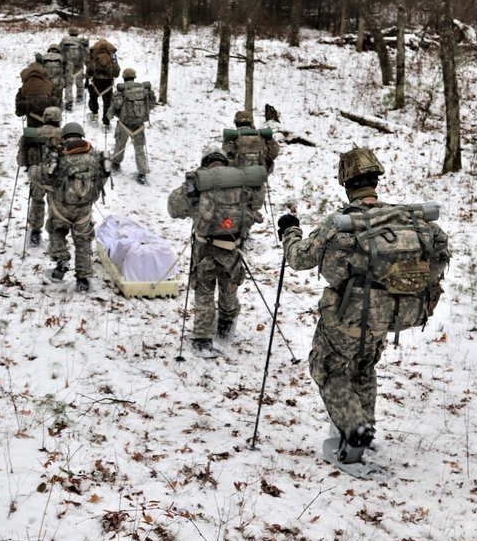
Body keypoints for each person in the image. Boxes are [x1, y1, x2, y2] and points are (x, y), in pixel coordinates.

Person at [277, 147, 450, 469]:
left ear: (346, 184)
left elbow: (300, 259)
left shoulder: (341, 223)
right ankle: (363, 429)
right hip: (392, 315)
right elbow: (438, 260)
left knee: (327, 368)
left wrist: (290, 232)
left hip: (347, 315)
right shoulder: (410, 219)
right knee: (363, 367)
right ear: (376, 180)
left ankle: (354, 431)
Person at [167, 146, 267, 358]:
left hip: (205, 248)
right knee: (229, 287)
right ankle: (226, 325)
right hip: (232, 247)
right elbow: (256, 204)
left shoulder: (200, 183)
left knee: (204, 291)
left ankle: (203, 339)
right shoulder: (241, 183)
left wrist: (191, 190)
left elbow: (174, 209)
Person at [36, 122, 109, 292]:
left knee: (57, 231)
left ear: (65, 136)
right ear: (81, 135)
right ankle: (83, 280)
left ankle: (61, 260)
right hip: (83, 209)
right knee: (83, 240)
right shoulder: (94, 154)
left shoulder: (59, 154)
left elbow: (45, 176)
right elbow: (102, 177)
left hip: (61, 207)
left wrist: (33, 171)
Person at [23, 106, 64, 247]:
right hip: (58, 178)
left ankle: (35, 231)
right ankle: (57, 234)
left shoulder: (33, 133)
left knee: (37, 202)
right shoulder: (65, 134)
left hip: (39, 175)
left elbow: (21, 158)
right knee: (56, 205)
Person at [108, 68, 156, 185]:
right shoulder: (143, 90)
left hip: (124, 124)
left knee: (120, 144)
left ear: (123, 78)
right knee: (139, 149)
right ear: (134, 77)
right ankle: (142, 173)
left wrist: (108, 116)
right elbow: (150, 106)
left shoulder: (121, 91)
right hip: (139, 125)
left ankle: (116, 164)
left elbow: (115, 106)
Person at [86, 39, 120, 126]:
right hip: (108, 83)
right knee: (107, 102)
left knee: (93, 98)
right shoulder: (112, 54)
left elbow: (89, 70)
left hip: (96, 82)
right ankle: (106, 121)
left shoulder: (94, 53)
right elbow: (116, 73)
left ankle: (94, 115)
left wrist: (87, 79)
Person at [15, 61, 59, 128]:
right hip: (47, 105)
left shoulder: (26, 81)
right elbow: (55, 92)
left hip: (31, 108)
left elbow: (19, 98)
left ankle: (32, 135)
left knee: (32, 126)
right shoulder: (46, 78)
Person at [60, 28, 89, 110]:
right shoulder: (82, 41)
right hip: (79, 65)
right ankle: (80, 96)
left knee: (69, 84)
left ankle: (69, 102)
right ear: (77, 33)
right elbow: (87, 53)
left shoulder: (64, 41)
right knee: (79, 82)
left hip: (68, 65)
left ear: (69, 33)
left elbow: (59, 51)